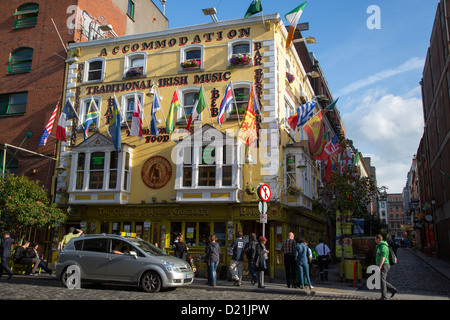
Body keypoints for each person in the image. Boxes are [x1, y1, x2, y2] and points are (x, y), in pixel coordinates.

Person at [375, 234, 397, 300]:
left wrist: (380, 266)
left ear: (378, 239)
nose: (375, 240)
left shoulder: (383, 246)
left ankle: (384, 297)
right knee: (381, 280)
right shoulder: (379, 246)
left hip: (384, 264)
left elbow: (383, 257)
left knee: (382, 280)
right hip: (383, 264)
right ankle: (392, 289)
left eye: (375, 239)